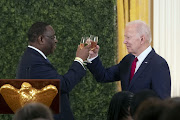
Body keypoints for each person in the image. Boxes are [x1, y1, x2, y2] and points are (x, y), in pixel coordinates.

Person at [16, 22, 91, 120]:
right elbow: (63, 85)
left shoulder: (32, 58)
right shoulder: (35, 63)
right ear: (41, 39)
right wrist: (79, 59)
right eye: (53, 37)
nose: (56, 40)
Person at [87, 20, 171, 99]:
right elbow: (104, 76)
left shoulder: (158, 64)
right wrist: (93, 57)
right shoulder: (128, 60)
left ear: (142, 39)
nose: (124, 41)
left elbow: (162, 104)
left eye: (128, 37)